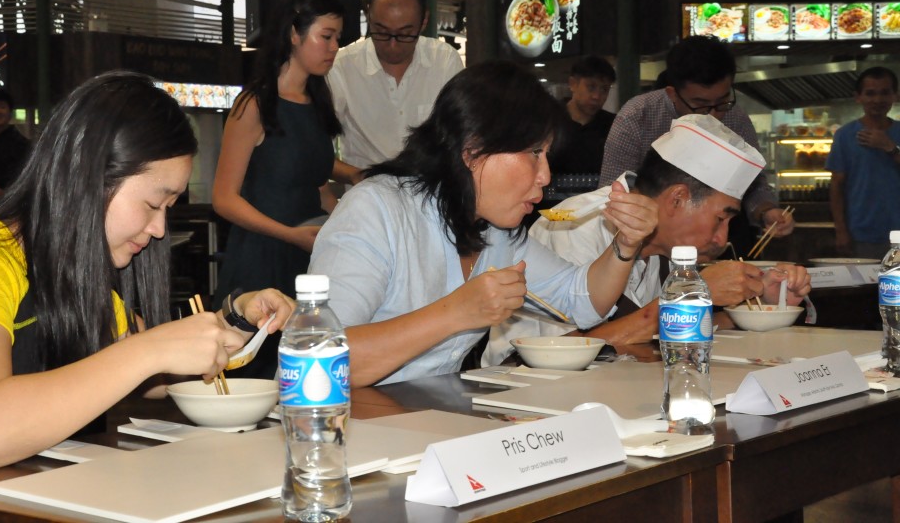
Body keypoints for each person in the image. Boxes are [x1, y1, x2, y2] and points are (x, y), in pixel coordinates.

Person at [0, 72, 295, 475]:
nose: (159, 229)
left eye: (169, 209)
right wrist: (150, 349)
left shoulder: (75, 273)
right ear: (89, 178)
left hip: (12, 487)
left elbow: (153, 373)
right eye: (153, 204)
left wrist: (233, 323)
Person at [308, 61, 658, 388]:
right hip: (352, 427)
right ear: (473, 151)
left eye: (547, 155)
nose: (545, 175)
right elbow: (318, 360)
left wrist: (624, 245)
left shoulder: (495, 229)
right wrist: (454, 312)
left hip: (432, 416)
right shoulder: (376, 209)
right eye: (534, 153)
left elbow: (580, 300)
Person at [485, 115, 812, 364]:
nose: (721, 237)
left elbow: (664, 335)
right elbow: (560, 355)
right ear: (677, 199)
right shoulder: (576, 228)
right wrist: (693, 295)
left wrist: (766, 302)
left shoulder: (667, 247)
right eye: (721, 217)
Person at [211, 0, 352, 377]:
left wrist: (350, 226)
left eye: (337, 38)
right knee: (253, 372)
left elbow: (320, 189)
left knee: (303, 371)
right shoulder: (254, 104)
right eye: (325, 36)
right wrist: (288, 233)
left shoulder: (317, 104)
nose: (333, 47)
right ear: (294, 33)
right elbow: (223, 198)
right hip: (261, 254)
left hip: (309, 254)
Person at [599, 35, 795, 250]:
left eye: (721, 101)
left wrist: (767, 211)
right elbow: (613, 190)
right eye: (700, 104)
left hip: (723, 240)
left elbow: (754, 183)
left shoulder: (735, 117)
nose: (712, 114)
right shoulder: (638, 116)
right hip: (652, 242)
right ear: (672, 93)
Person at [327, 0, 464, 176]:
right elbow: (315, 152)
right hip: (370, 198)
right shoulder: (342, 68)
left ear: (424, 21)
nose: (392, 44)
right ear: (369, 15)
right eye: (381, 32)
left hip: (431, 196)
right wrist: (358, 178)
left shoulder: (444, 61)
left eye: (404, 34)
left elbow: (461, 138)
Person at [827, 66, 900, 259]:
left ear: (895, 95)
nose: (877, 100)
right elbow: (836, 186)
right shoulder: (845, 135)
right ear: (858, 97)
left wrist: (890, 147)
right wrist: (841, 231)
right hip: (861, 233)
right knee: (866, 289)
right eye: (870, 93)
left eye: (885, 93)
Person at [548, 55, 617, 177]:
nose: (597, 96)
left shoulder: (614, 126)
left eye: (604, 90)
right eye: (591, 87)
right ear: (573, 84)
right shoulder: (549, 120)